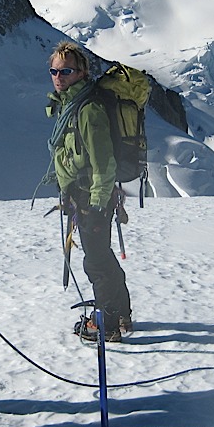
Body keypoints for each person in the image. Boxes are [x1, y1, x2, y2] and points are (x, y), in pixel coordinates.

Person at [45, 40, 132, 342]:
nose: (59, 77)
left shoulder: (88, 108)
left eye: (66, 71)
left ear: (81, 72)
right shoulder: (72, 105)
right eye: (54, 71)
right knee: (102, 256)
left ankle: (107, 324)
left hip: (91, 195)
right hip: (81, 193)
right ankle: (120, 314)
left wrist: (96, 203)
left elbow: (103, 161)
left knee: (95, 260)